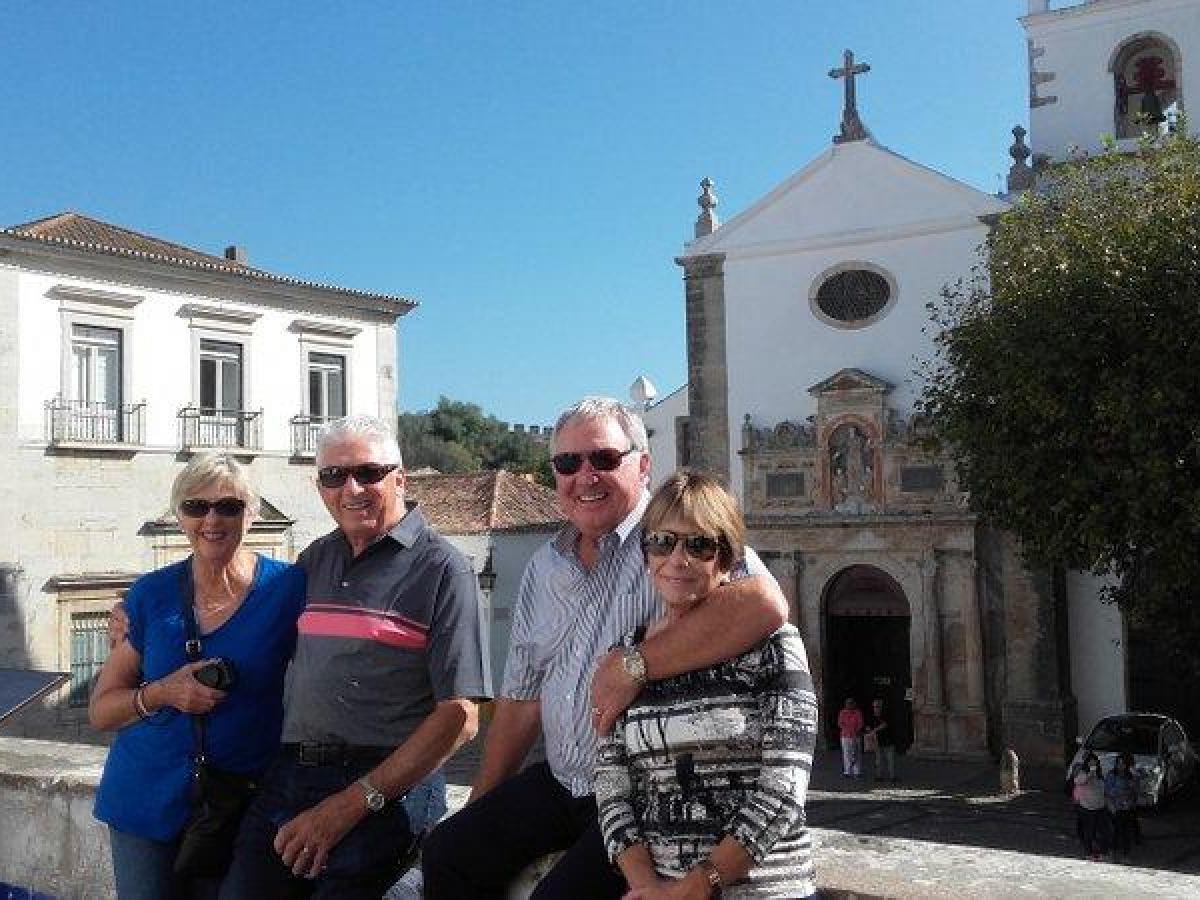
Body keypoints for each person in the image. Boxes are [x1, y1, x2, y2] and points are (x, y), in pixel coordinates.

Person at [422, 397, 788, 898]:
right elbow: (523, 699)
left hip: (643, 794)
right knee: (448, 852)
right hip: (561, 780)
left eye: (603, 459)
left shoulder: (673, 538)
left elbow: (763, 604)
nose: (584, 476)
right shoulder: (544, 567)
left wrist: (634, 666)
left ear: (642, 464)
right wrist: (482, 805)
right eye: (568, 463)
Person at [219, 414, 492, 899]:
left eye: (368, 473)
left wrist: (350, 804)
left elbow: (461, 716)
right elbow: (244, 626)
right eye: (333, 475)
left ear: (400, 479)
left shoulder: (443, 569)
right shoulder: (316, 559)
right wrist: (139, 618)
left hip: (386, 787)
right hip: (292, 773)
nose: (352, 489)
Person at [90, 453, 307, 900]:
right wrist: (163, 693)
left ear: (252, 514)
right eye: (196, 507)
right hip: (144, 801)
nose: (212, 519)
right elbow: (101, 711)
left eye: (229, 506)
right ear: (179, 515)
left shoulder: (287, 589)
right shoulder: (151, 594)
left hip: (239, 805)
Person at [594, 471, 818, 899]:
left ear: (728, 559)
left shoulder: (773, 644)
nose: (677, 559)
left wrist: (698, 885)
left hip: (765, 891)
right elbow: (611, 783)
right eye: (662, 541)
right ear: (645, 554)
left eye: (698, 544)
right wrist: (647, 886)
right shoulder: (626, 654)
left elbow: (784, 790)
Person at [1073, 752, 1110, 861]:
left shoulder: (1100, 775)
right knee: (1089, 831)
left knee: (1105, 831)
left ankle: (1104, 852)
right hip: (1087, 807)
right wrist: (1090, 774)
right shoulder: (1082, 773)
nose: (1093, 764)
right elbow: (1079, 781)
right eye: (1090, 762)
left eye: (1095, 762)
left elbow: (1104, 790)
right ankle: (1089, 853)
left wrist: (1107, 802)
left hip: (1100, 807)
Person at [1105, 752, 1139, 861]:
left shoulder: (1131, 776)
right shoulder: (1112, 775)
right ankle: (1112, 853)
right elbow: (1108, 791)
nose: (1120, 766)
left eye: (1123, 764)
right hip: (1115, 807)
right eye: (1118, 763)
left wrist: (1134, 779)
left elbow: (1136, 791)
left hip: (1128, 807)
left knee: (1126, 832)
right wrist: (1119, 792)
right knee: (1115, 831)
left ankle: (1125, 854)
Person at [864, 697, 896, 783]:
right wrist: (868, 730)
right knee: (878, 760)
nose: (876, 708)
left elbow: (885, 725)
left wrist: (873, 730)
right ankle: (879, 776)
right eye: (874, 706)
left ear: (881, 707)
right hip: (877, 742)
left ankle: (892, 776)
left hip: (888, 741)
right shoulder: (871, 716)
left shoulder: (886, 714)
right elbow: (867, 727)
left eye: (877, 706)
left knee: (890, 760)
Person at [837, 698, 864, 778]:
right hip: (845, 736)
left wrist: (856, 730)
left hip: (856, 736)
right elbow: (840, 723)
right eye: (848, 703)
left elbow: (860, 723)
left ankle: (857, 771)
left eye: (851, 703)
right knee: (846, 754)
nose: (849, 705)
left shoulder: (857, 713)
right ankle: (847, 771)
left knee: (856, 754)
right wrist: (848, 729)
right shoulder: (842, 712)